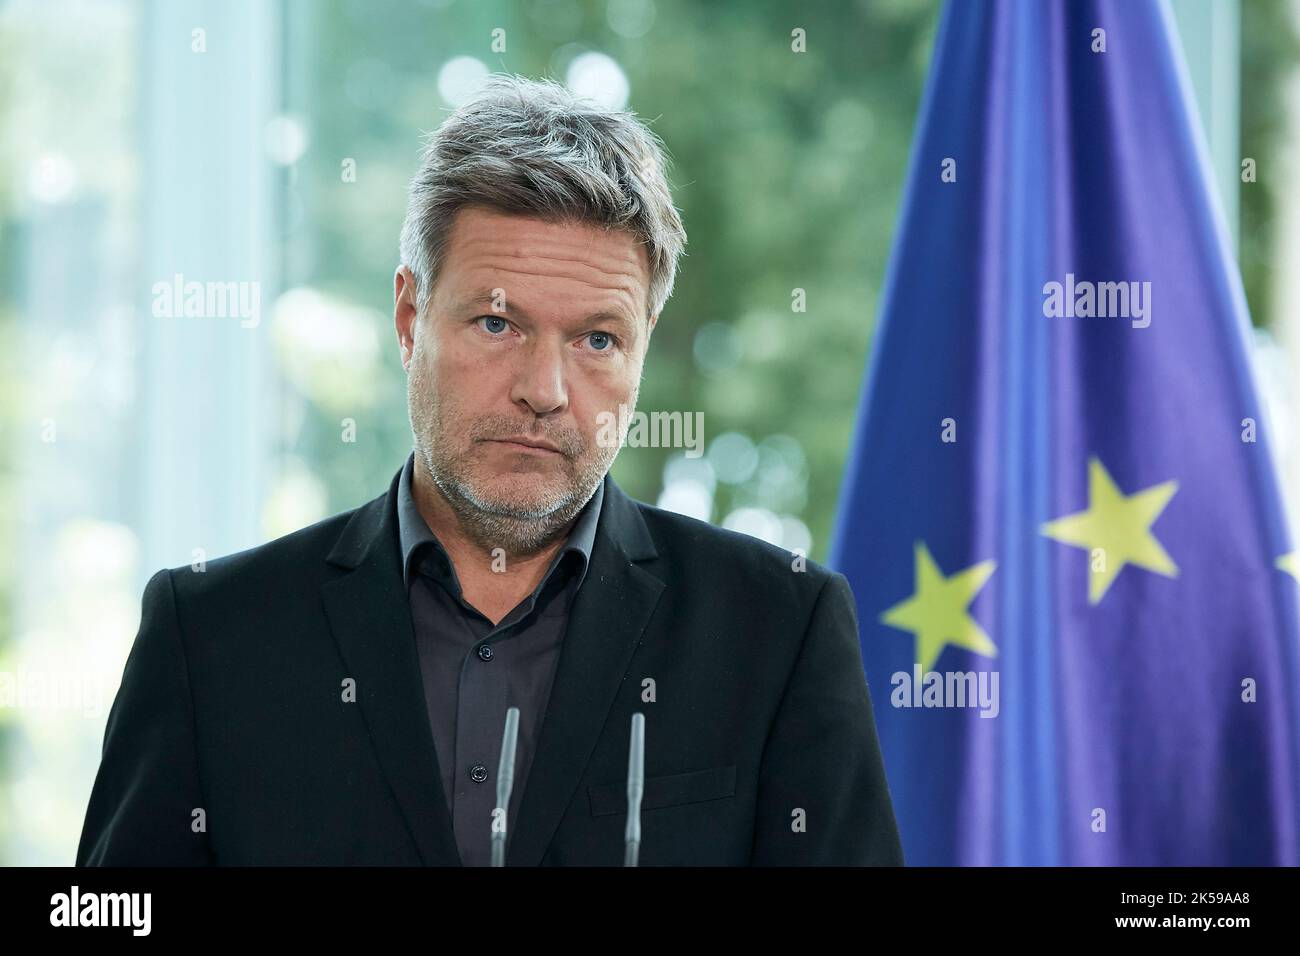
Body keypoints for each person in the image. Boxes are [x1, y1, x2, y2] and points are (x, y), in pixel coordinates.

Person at [77, 74, 903, 866]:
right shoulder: (210, 635)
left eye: (598, 340)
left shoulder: (780, 630)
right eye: (498, 323)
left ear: (643, 351)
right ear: (410, 318)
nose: (544, 392)